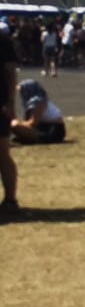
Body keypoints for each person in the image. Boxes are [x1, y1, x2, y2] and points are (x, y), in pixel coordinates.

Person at [0, 20, 19, 219]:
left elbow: (10, 73)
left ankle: (10, 200)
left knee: (2, 151)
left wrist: (10, 102)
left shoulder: (2, 41)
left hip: (0, 104)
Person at [12, 79, 66, 143]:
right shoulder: (35, 102)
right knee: (14, 124)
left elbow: (32, 123)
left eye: (23, 91)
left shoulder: (38, 102)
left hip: (53, 131)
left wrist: (18, 123)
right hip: (45, 127)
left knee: (15, 125)